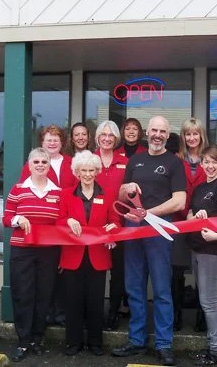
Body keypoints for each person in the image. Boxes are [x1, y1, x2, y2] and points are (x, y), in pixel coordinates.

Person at [112, 115, 187, 367]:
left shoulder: (174, 163)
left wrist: (148, 213)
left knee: (162, 289)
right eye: (153, 130)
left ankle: (164, 344)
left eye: (162, 131)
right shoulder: (136, 160)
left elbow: (180, 201)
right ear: (148, 132)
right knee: (134, 287)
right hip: (132, 230)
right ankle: (137, 340)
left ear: (167, 134)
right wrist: (128, 188)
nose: (157, 134)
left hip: (158, 232)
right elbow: (121, 194)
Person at [2, 148, 62, 362]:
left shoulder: (58, 192)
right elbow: (6, 217)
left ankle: (37, 339)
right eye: (36, 161)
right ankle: (23, 341)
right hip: (22, 251)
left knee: (43, 296)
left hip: (49, 252)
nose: (40, 165)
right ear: (29, 165)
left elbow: (62, 222)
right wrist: (18, 219)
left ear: (49, 165)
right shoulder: (18, 189)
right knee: (23, 295)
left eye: (44, 162)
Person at [58, 151, 120, 356]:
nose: (87, 174)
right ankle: (73, 343)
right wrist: (67, 220)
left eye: (91, 170)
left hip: (98, 256)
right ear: (76, 172)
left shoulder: (106, 194)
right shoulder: (67, 194)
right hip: (73, 256)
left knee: (95, 301)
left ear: (97, 171)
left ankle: (95, 343)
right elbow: (58, 221)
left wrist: (112, 230)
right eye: (83, 170)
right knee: (73, 301)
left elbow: (115, 222)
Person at [18, 125, 76, 328]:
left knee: (62, 266)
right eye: (48, 139)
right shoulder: (34, 164)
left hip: (65, 221)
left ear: (62, 143)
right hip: (42, 226)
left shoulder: (71, 162)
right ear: (42, 142)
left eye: (56, 139)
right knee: (45, 270)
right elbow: (22, 194)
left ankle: (61, 312)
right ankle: (45, 312)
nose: (52, 142)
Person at [187, 145, 217, 366]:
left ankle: (216, 350)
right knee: (205, 300)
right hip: (197, 249)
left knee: (208, 302)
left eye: (214, 161)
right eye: (206, 161)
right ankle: (212, 346)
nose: (209, 165)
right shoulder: (199, 188)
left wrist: (216, 235)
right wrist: (195, 215)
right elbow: (189, 215)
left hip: (213, 252)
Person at [173, 118, 208, 332]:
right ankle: (175, 316)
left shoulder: (210, 158)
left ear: (201, 135)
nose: (192, 138)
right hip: (178, 220)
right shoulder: (175, 159)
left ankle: (202, 318)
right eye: (188, 134)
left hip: (203, 222)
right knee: (175, 273)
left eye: (195, 133)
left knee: (201, 274)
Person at [93, 120, 129, 331]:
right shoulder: (89, 159)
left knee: (118, 272)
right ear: (97, 137)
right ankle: (93, 313)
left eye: (111, 135)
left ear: (116, 139)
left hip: (119, 224)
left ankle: (113, 313)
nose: (107, 138)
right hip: (93, 225)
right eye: (103, 134)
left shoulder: (126, 161)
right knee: (94, 271)